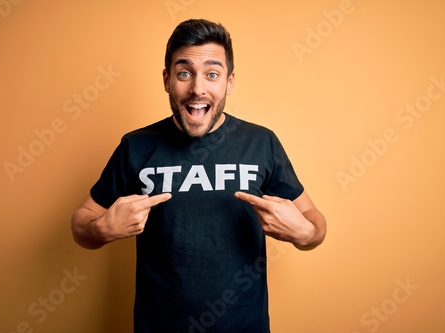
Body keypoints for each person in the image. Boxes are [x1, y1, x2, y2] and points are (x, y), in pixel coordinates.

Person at [71, 18, 326, 333]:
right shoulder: (135, 146)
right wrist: (102, 229)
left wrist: (303, 233)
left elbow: (315, 222)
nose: (197, 89)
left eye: (212, 74)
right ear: (167, 80)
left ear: (229, 82)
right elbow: (81, 223)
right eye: (184, 73)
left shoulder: (262, 143)